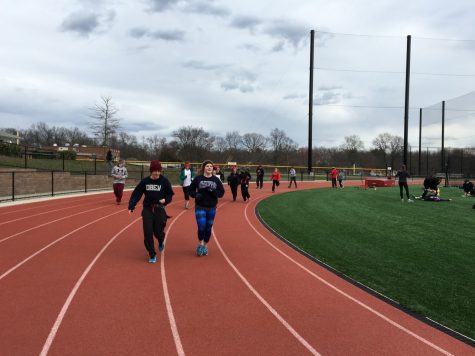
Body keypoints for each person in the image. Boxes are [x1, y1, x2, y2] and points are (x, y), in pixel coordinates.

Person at [128, 160, 174, 263]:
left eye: (159, 171)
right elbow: (136, 194)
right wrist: (131, 205)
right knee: (148, 232)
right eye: (155, 171)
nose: (157, 173)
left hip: (160, 208)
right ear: (151, 171)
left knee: (158, 231)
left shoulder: (164, 181)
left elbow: (170, 194)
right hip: (148, 209)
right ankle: (152, 254)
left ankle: (161, 240)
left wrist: (166, 200)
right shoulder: (145, 182)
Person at [188, 160, 225, 256]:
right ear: (204, 167)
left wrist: (213, 191)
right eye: (207, 166)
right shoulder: (198, 179)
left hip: (211, 207)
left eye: (211, 166)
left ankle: (205, 245)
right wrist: (196, 195)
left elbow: (221, 193)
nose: (209, 168)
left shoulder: (216, 180)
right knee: (201, 227)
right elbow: (190, 190)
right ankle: (200, 244)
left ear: (213, 169)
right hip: (200, 206)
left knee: (208, 228)